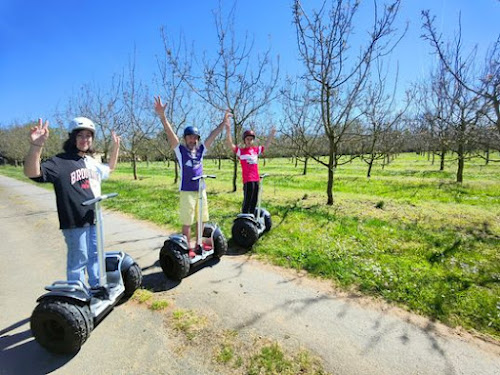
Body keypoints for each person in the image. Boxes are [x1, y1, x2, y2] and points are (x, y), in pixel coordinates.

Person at [24, 117, 120, 293]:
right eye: (81, 135)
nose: (85, 139)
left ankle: (97, 286)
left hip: (94, 217)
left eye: (89, 136)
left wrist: (116, 147)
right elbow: (32, 172)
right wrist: (36, 146)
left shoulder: (90, 161)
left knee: (95, 255)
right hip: (74, 220)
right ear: (72, 137)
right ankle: (76, 295)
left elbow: (110, 169)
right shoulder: (60, 162)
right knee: (79, 258)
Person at [154, 96, 231, 258]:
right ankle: (187, 248)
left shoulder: (201, 150)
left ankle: (199, 244)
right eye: (189, 137)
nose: (192, 139)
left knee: (201, 220)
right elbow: (170, 133)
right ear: (185, 139)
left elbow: (212, 136)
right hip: (187, 191)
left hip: (201, 190)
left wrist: (223, 124)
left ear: (197, 139)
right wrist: (163, 117)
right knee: (187, 221)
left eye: (195, 137)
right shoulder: (180, 151)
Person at [225, 121, 275, 214]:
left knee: (254, 200)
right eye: (248, 139)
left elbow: (267, 145)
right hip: (248, 180)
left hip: (256, 179)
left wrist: (271, 134)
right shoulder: (241, 151)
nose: (249, 141)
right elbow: (230, 144)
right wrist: (228, 131)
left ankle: (251, 218)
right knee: (247, 200)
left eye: (251, 139)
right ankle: (244, 218)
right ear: (244, 140)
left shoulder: (255, 150)